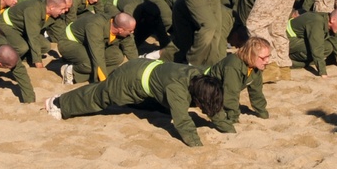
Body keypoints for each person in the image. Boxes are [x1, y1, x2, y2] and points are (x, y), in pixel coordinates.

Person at [44, 58, 224, 147]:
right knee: (101, 96)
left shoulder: (200, 78)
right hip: (131, 78)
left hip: (146, 74)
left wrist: (227, 125)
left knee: (151, 106)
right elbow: (183, 122)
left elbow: (213, 101)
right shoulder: (177, 90)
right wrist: (197, 146)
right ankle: (60, 102)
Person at [205, 37, 269, 134]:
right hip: (206, 87)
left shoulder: (255, 66)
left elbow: (256, 91)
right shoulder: (233, 66)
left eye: (269, 56)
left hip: (222, 91)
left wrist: (262, 112)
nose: (267, 61)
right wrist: (233, 118)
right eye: (263, 58)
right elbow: (231, 94)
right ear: (251, 55)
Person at [57, 12, 137, 84]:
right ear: (120, 30)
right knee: (90, 63)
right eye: (130, 31)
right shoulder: (95, 26)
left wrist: (139, 69)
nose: (132, 32)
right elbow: (97, 57)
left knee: (117, 57)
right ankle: (71, 71)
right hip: (69, 42)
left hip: (89, 45)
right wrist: (104, 83)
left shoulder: (124, 31)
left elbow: (131, 49)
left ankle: (84, 74)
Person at [0, 0, 68, 68]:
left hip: (22, 29)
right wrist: (38, 62)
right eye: (62, 9)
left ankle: (25, 57)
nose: (64, 11)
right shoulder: (33, 10)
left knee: (45, 46)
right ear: (52, 7)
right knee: (21, 48)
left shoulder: (55, 15)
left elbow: (60, 33)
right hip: (5, 24)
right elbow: (33, 37)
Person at [287, 9, 337, 78]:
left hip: (299, 40)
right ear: (333, 20)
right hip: (287, 40)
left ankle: (302, 62)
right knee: (318, 49)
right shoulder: (317, 21)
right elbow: (317, 47)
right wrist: (323, 72)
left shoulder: (329, 22)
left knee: (328, 47)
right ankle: (291, 63)